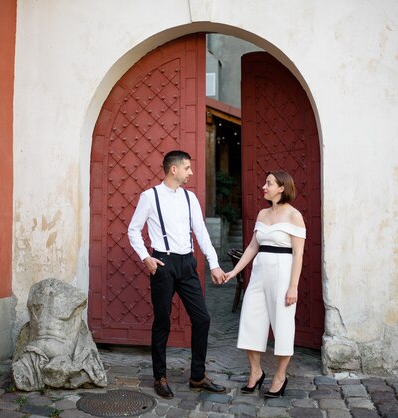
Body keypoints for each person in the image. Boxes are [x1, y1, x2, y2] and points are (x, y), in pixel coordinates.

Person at [127, 150, 227, 399]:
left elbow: (201, 232)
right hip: (162, 264)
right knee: (163, 321)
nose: (190, 172)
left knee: (202, 318)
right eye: (187, 168)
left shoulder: (190, 197)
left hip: (187, 265)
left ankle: (197, 376)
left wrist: (213, 264)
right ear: (174, 169)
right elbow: (133, 229)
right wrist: (145, 257)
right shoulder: (149, 197)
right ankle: (159, 377)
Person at [223, 170, 306, 398]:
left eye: (268, 183)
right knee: (250, 320)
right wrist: (233, 272)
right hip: (259, 273)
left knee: (283, 326)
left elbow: (298, 254)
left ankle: (280, 376)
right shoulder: (261, 214)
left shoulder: (295, 216)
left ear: (282, 188)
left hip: (283, 274)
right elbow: (252, 247)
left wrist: (293, 287)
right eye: (265, 183)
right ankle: (256, 372)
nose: (264, 186)